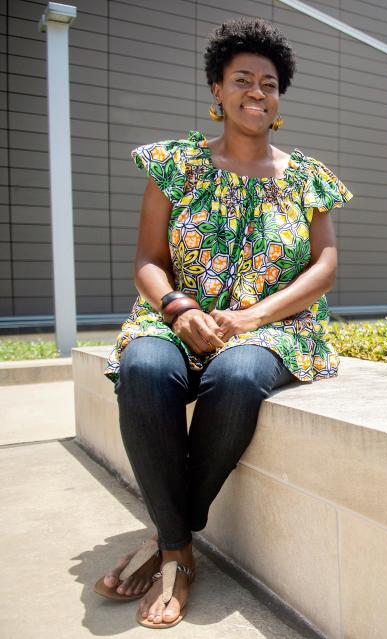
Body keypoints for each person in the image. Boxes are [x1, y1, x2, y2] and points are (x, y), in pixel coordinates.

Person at [92, 18, 352, 629]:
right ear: (216, 89)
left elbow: (326, 265)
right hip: (176, 318)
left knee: (236, 377)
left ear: (280, 97)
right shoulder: (176, 165)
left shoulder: (305, 176)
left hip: (272, 327)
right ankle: (177, 546)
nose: (257, 91)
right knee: (145, 369)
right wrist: (179, 311)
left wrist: (255, 315)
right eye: (242, 79)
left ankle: (172, 543)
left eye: (269, 82)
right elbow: (149, 261)